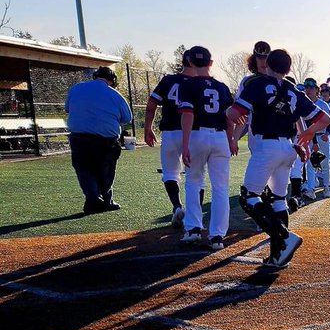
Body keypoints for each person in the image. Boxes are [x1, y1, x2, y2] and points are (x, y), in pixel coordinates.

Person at [227, 49, 329, 269]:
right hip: (289, 147)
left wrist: (231, 113)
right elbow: (324, 118)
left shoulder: (257, 84)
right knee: (278, 199)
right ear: (289, 69)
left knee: (248, 197)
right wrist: (308, 133)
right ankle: (278, 256)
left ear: (267, 65)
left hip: (266, 146)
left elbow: (234, 114)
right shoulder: (293, 90)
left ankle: (283, 236)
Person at [177, 46, 234, 250]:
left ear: (191, 62)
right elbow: (230, 118)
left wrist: (184, 144)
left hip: (197, 135)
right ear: (211, 63)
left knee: (193, 181)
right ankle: (217, 235)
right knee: (220, 187)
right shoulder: (222, 86)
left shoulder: (188, 85)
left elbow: (187, 114)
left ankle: (193, 228)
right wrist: (232, 139)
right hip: (220, 137)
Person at [65, 66, 132, 213]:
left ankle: (92, 198)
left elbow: (67, 108)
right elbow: (127, 118)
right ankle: (106, 200)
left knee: (84, 169)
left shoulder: (77, 88)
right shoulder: (114, 94)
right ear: (112, 80)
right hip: (105, 139)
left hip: (79, 137)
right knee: (106, 170)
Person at [143, 52, 199, 227]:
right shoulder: (201, 83)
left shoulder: (169, 80)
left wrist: (147, 127)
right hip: (193, 133)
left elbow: (152, 105)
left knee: (170, 173)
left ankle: (177, 207)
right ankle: (193, 215)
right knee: (195, 176)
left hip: (170, 132)